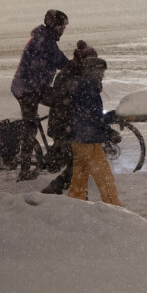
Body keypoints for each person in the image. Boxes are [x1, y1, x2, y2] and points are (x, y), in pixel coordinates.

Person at [10, 9, 69, 181]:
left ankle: (56, 144)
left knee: (57, 104)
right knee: (32, 125)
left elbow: (59, 62)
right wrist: (78, 67)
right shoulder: (45, 42)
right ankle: (25, 169)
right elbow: (61, 62)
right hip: (28, 90)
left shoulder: (44, 38)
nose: (63, 30)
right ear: (53, 26)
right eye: (61, 26)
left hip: (32, 87)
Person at [40, 40, 96, 195]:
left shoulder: (76, 71)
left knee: (78, 161)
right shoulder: (71, 75)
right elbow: (70, 103)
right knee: (79, 162)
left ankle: (73, 191)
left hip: (67, 124)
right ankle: (57, 188)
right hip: (64, 125)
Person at [67, 57, 122, 206]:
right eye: (101, 72)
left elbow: (87, 118)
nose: (103, 75)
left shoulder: (80, 87)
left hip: (78, 141)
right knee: (106, 181)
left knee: (79, 181)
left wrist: (106, 129)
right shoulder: (89, 91)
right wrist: (114, 116)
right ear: (92, 72)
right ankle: (116, 211)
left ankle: (73, 207)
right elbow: (94, 119)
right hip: (89, 142)